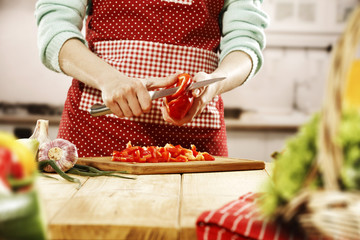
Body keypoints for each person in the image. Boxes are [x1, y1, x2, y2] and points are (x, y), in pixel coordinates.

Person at [35, 0, 268, 158]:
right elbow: (55, 30)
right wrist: (109, 80)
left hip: (196, 142)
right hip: (96, 134)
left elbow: (245, 42)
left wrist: (216, 81)